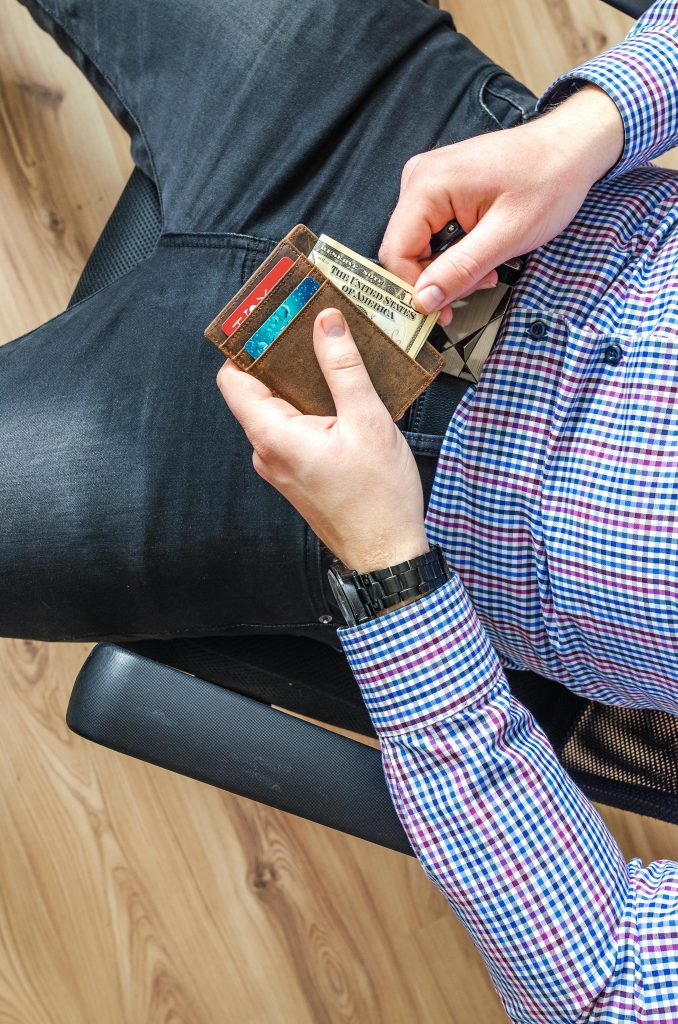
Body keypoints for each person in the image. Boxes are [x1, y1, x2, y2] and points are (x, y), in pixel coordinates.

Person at [217, 1, 678, 1021]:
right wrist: (587, 125)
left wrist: (388, 569)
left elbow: (611, 977)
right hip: (462, 167)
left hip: (323, 499)